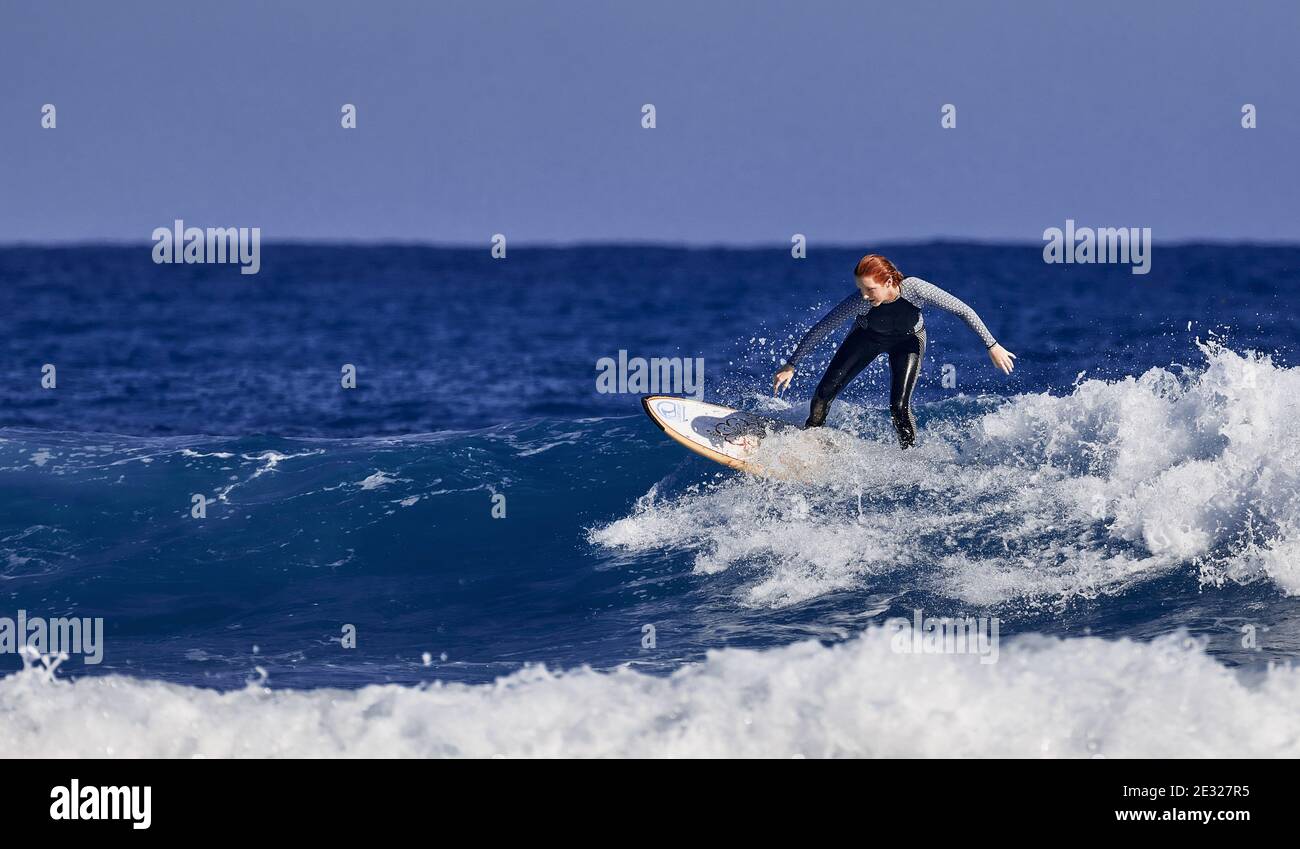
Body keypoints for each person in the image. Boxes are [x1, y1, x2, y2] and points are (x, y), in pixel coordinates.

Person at [772, 254, 1015, 448]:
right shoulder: (861, 301)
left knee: (898, 406)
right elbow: (824, 326)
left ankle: (909, 455)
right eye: (861, 289)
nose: (864, 296)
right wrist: (792, 364)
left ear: (888, 282)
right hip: (866, 337)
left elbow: (963, 310)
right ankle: (810, 440)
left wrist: (992, 345)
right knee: (823, 394)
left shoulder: (915, 289)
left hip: (907, 342)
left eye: (869, 289)